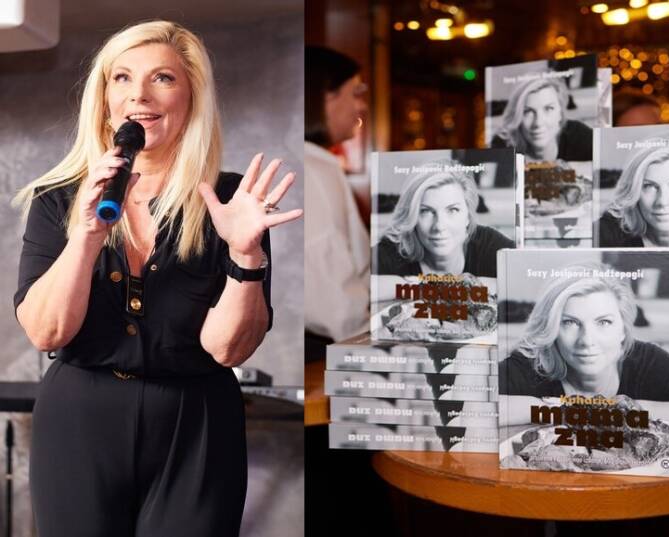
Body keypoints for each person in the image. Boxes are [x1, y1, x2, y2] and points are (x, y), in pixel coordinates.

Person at [12, 21, 301, 537]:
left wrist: (245, 253)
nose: (138, 95)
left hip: (198, 423)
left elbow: (228, 349)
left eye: (162, 78)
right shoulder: (59, 198)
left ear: (191, 98)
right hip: (79, 418)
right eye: (121, 78)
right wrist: (86, 236)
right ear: (104, 100)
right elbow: (46, 332)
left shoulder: (232, 202)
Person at [499, 263, 669, 421]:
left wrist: (628, 409)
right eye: (570, 322)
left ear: (623, 331)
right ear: (552, 329)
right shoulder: (533, 363)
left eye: (604, 322)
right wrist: (569, 411)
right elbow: (486, 405)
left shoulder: (645, 360)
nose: (586, 340)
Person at [304, 46, 370, 356]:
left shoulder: (314, 163)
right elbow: (332, 297)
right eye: (355, 92)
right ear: (325, 96)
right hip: (322, 350)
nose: (362, 105)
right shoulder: (313, 169)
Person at [373, 164, 514, 278]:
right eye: (426, 211)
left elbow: (525, 276)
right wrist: (420, 286)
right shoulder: (394, 250)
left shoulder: (488, 244)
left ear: (468, 217)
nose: (439, 226)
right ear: (413, 218)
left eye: (453, 210)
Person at [490, 77, 592, 162]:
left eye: (548, 109)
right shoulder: (502, 144)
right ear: (518, 117)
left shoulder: (579, 134)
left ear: (560, 114)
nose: (538, 123)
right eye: (528, 111)